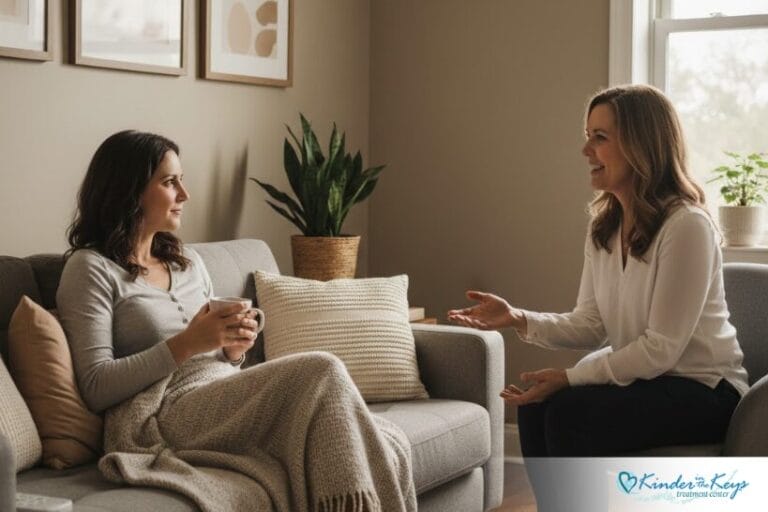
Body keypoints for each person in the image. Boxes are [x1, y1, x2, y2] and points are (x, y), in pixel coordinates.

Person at [56, 130, 416, 512]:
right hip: (161, 412)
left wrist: (232, 351)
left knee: (384, 438)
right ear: (128, 191)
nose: (184, 194)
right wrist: (189, 343)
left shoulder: (188, 261)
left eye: (182, 179)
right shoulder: (90, 269)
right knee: (322, 369)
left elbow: (216, 359)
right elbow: (96, 386)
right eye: (169, 182)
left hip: (223, 388)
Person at [447, 84, 748, 505]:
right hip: (644, 383)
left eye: (600, 138)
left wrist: (569, 378)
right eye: (588, 135)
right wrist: (519, 318)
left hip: (703, 390)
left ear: (642, 146)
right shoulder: (604, 228)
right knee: (534, 407)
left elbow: (661, 349)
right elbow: (590, 323)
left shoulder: (687, 227)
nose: (585, 150)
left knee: (570, 412)